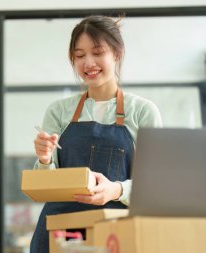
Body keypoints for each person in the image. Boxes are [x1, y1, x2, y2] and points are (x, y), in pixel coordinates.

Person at [31, 15, 162, 252]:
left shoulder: (142, 111)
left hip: (115, 231)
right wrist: (44, 159)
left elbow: (154, 185)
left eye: (98, 52)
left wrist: (117, 189)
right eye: (80, 56)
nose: (88, 62)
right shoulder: (59, 111)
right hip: (64, 231)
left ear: (117, 52)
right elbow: (43, 186)